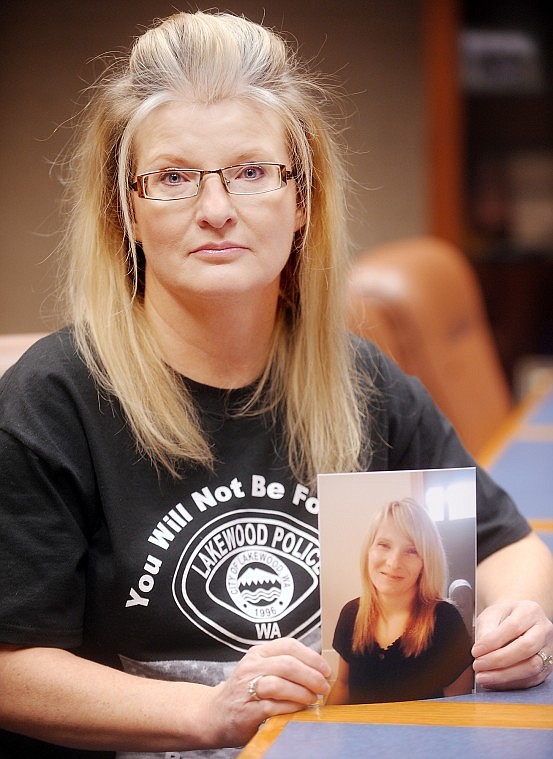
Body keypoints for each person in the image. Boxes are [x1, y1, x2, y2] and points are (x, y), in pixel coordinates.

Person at [0, 9, 552, 759]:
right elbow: (12, 669)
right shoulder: (51, 399)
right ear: (124, 208)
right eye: (172, 177)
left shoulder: (358, 379)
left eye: (252, 172)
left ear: (302, 201)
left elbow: (510, 546)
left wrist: (515, 618)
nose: (217, 210)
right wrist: (206, 712)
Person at [327, 498, 474, 705]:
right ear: (369, 550)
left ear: (426, 561)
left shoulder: (445, 620)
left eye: (412, 551)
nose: (394, 562)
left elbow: (460, 707)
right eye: (384, 545)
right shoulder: (350, 613)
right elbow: (343, 685)